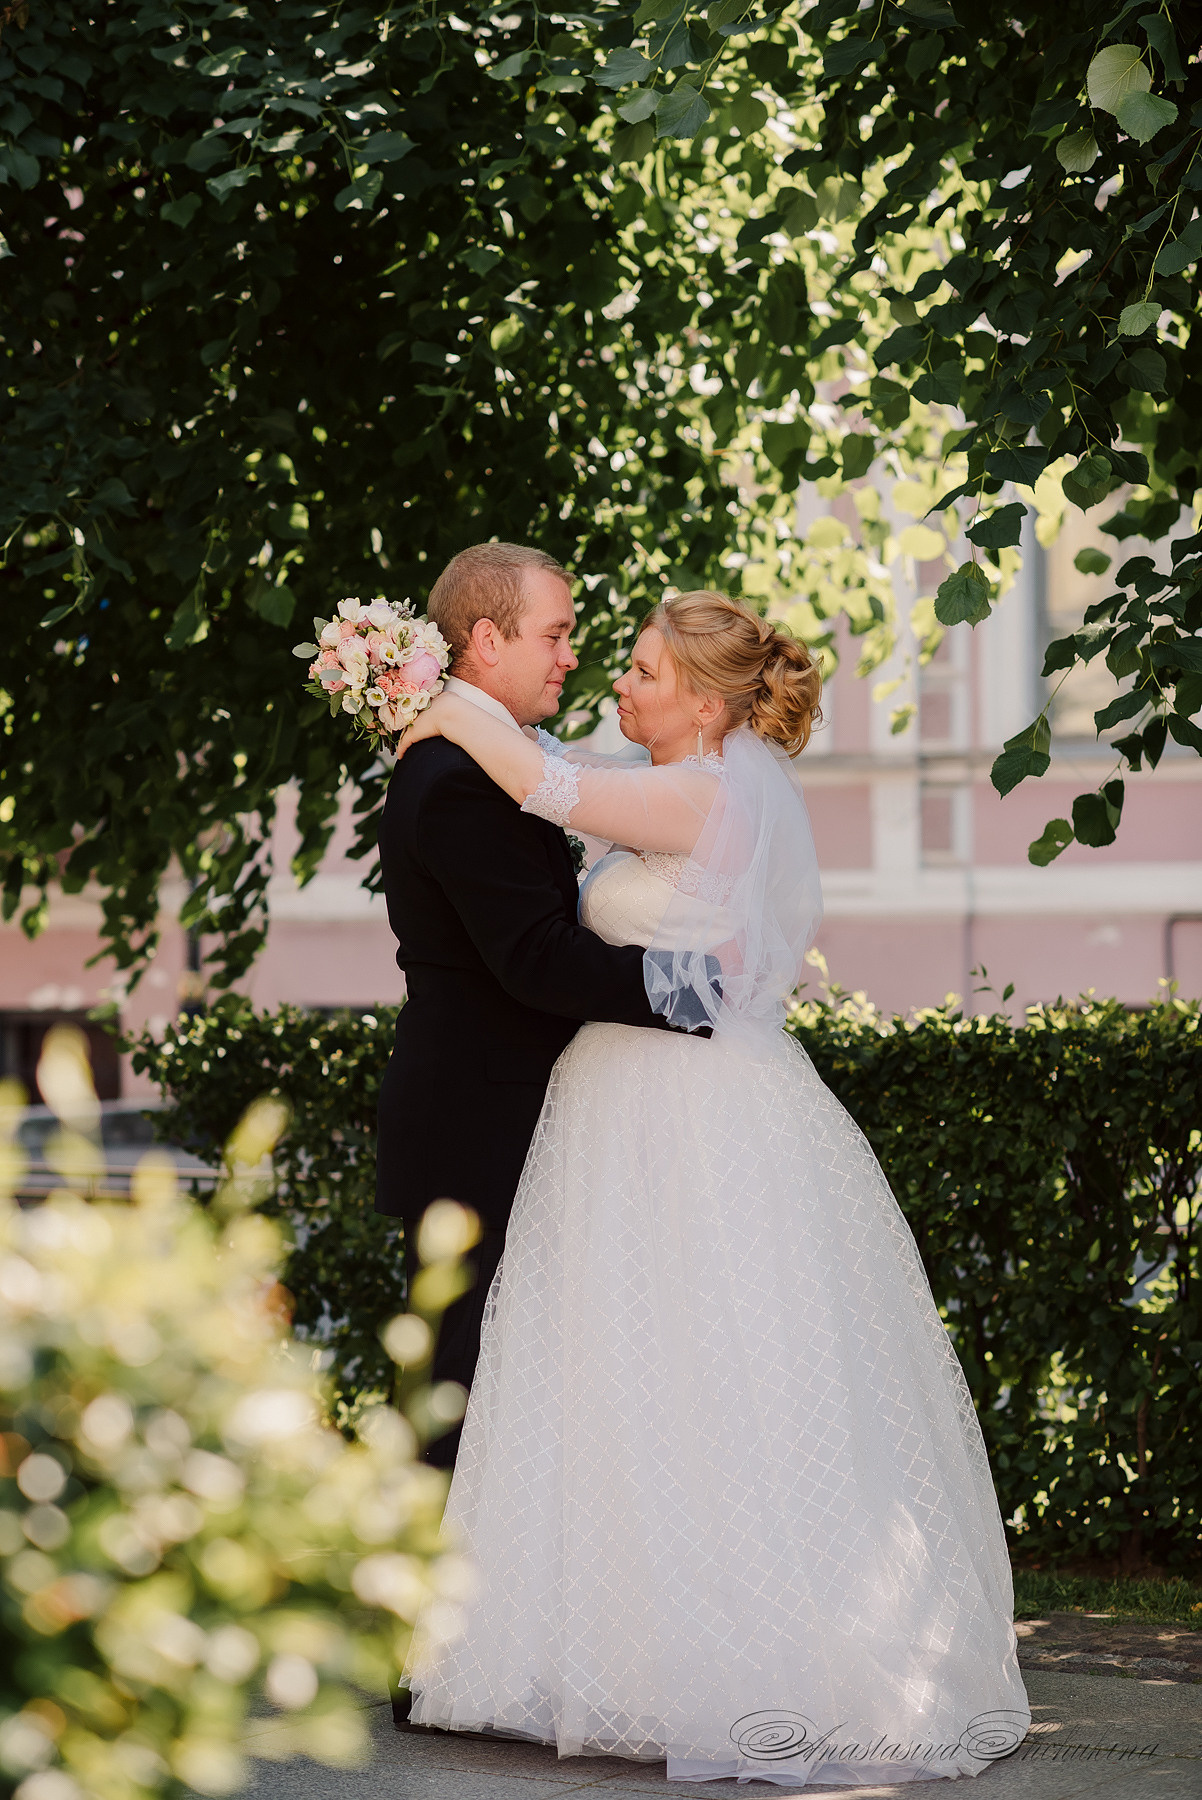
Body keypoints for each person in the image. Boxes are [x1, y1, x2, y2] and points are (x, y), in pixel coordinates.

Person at [395, 590, 1030, 1787]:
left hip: (682, 1114)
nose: (616, 687)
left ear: (702, 697)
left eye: (639, 670)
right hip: (615, 1105)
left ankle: (732, 1651)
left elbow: (547, 787)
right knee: (612, 1370)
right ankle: (606, 1643)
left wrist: (435, 708)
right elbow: (562, 787)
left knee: (702, 1359)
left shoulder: (706, 791)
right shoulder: (681, 787)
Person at [375, 542, 702, 1484]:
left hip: (510, 1110)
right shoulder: (456, 779)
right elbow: (535, 961)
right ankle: (422, 1613)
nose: (572, 655)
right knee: (459, 1389)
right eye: (555, 634)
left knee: (505, 1381)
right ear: (487, 639)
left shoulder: (491, 760)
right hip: (478, 1120)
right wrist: (698, 988)